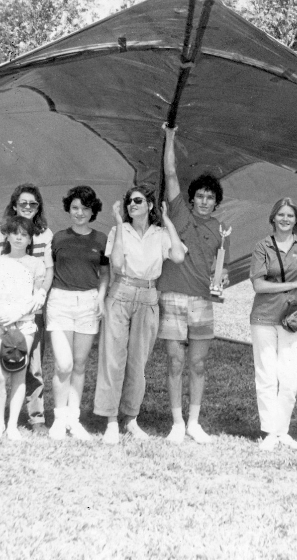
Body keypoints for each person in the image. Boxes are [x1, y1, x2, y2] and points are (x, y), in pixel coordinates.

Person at [93, 184, 186, 444]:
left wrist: (167, 221)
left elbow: (178, 256)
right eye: (129, 202)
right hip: (121, 293)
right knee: (113, 358)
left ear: (149, 206)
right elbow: (118, 264)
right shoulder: (117, 231)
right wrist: (120, 223)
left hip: (148, 297)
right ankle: (111, 420)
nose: (132, 205)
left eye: (137, 201)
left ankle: (131, 418)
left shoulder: (160, 234)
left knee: (138, 362)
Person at [158, 125, 229, 445]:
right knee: (175, 362)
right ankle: (176, 423)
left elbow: (218, 269)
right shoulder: (180, 214)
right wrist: (170, 137)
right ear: (191, 199)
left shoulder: (220, 230)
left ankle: (194, 423)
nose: (204, 200)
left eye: (210, 197)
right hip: (173, 297)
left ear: (216, 203)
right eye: (200, 195)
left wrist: (222, 277)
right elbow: (170, 173)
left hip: (202, 303)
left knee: (198, 364)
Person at [0, 184, 54, 434]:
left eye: (32, 204)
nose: (27, 207)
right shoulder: (2, 230)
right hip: (1, 317)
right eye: (23, 203)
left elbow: (48, 270)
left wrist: (41, 293)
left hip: (27, 315)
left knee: (29, 368)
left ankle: (34, 418)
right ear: (14, 205)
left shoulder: (45, 234)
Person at [248, 198, 297, 451]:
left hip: (293, 319)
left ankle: (282, 429)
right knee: (266, 374)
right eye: (281, 215)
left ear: (296, 219)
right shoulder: (262, 246)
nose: (285, 219)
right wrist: (294, 285)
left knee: (290, 375)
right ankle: (269, 431)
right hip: (264, 316)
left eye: (290, 215)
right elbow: (259, 285)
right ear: (273, 218)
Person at [47, 186, 110, 441]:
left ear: (93, 210)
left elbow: (105, 273)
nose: (80, 212)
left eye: (85, 208)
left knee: (80, 364)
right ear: (68, 209)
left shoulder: (101, 239)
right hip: (59, 302)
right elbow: (48, 269)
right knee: (64, 364)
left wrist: (101, 298)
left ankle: (73, 420)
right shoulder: (58, 238)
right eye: (75, 208)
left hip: (88, 303)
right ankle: (58, 420)